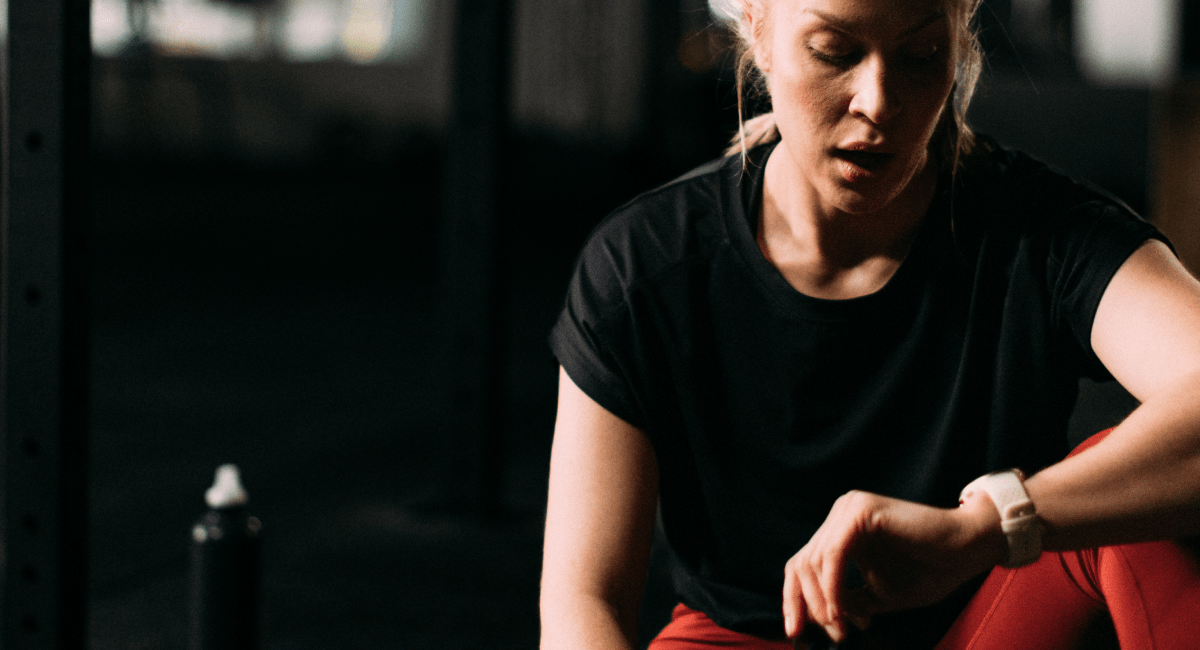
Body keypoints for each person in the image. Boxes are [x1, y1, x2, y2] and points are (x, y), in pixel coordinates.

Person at [540, 0, 1200, 648]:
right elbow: (583, 596)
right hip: (742, 638)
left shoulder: (1045, 234)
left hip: (976, 629)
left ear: (960, 43)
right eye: (834, 52)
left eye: (921, 56)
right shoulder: (644, 264)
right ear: (758, 29)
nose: (878, 103)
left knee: (1143, 495)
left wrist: (990, 524)